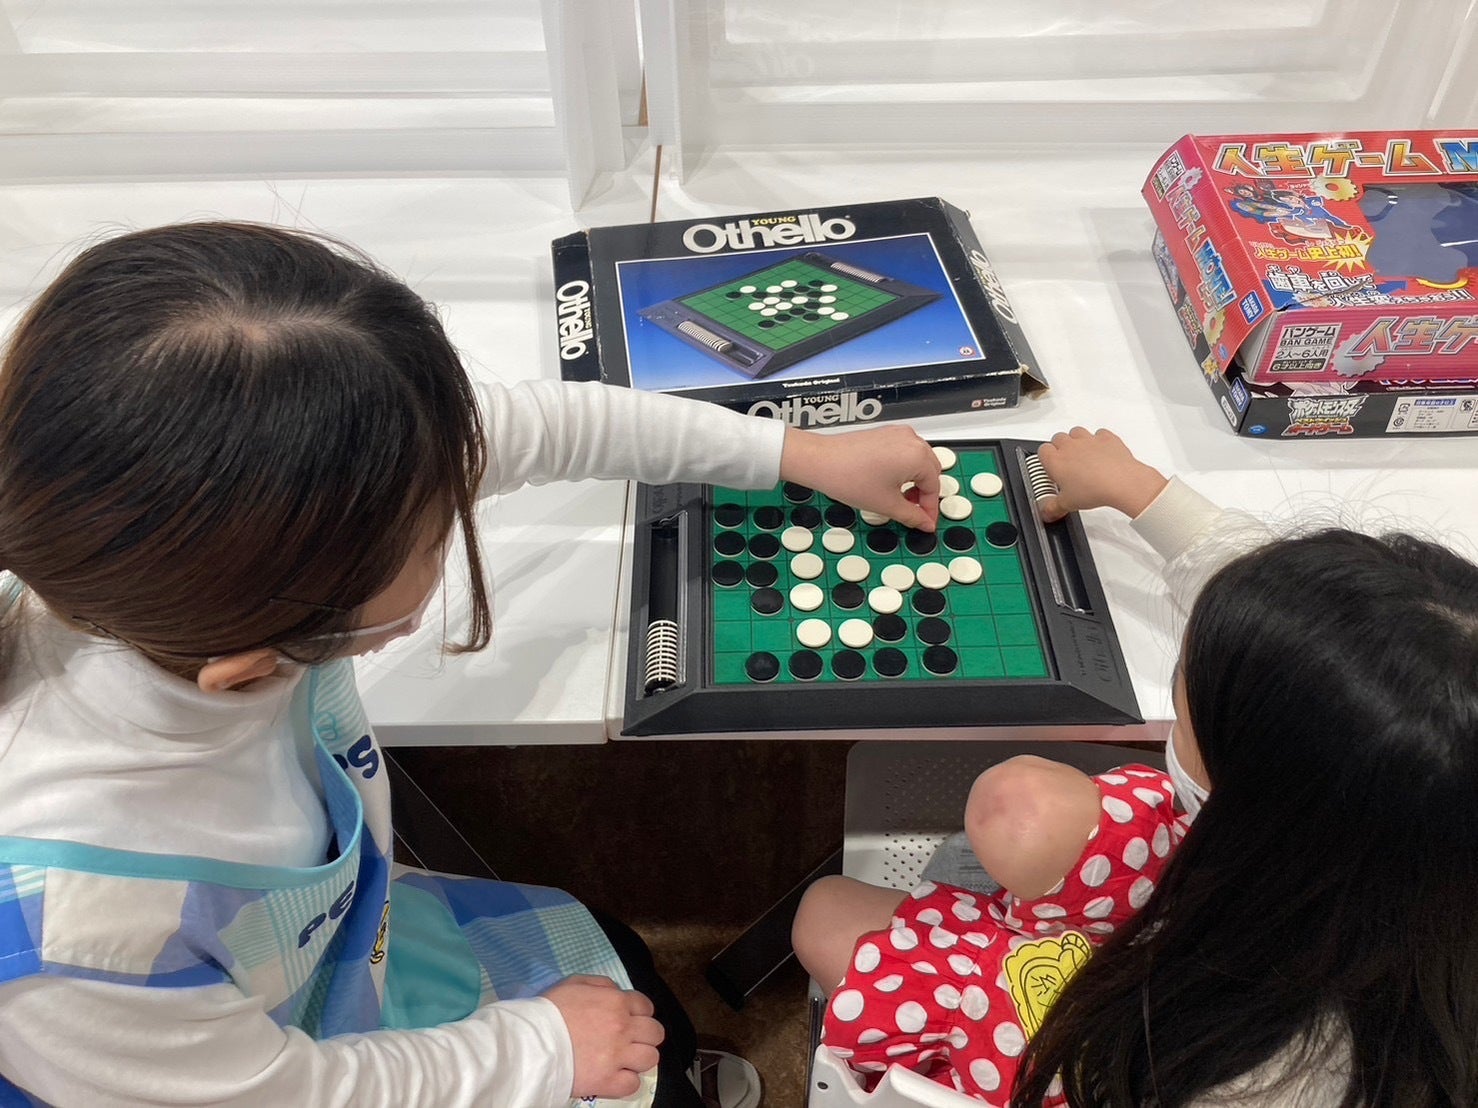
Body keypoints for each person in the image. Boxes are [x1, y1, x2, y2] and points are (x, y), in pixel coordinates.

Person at [0, 221, 944, 1108]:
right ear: (249, 668)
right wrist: (541, 1049)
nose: (461, 500)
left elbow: (540, 428)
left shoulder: (209, 547)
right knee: (637, 1048)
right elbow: (297, 1094)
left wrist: (796, 453)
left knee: (622, 956)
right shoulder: (80, 941)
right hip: (276, 1066)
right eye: (432, 537)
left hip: (336, 949)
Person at [797, 427, 1478, 1107]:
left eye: (1186, 707)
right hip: (1187, 943)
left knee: (824, 914)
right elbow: (1303, 634)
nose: (1180, 688)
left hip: (1100, 1048)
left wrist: (1012, 978)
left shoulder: (1269, 1076)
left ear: (1259, 803)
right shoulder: (1419, 784)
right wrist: (1139, 491)